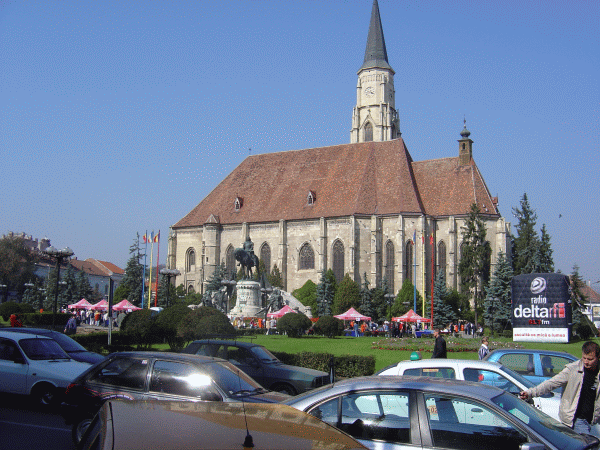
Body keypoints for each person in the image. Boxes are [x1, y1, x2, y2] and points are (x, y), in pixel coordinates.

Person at [520, 341, 600, 437]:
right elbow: (551, 383)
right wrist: (531, 392)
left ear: (598, 358)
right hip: (575, 419)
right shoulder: (573, 369)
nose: (586, 362)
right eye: (584, 358)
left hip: (591, 420)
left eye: (590, 359)